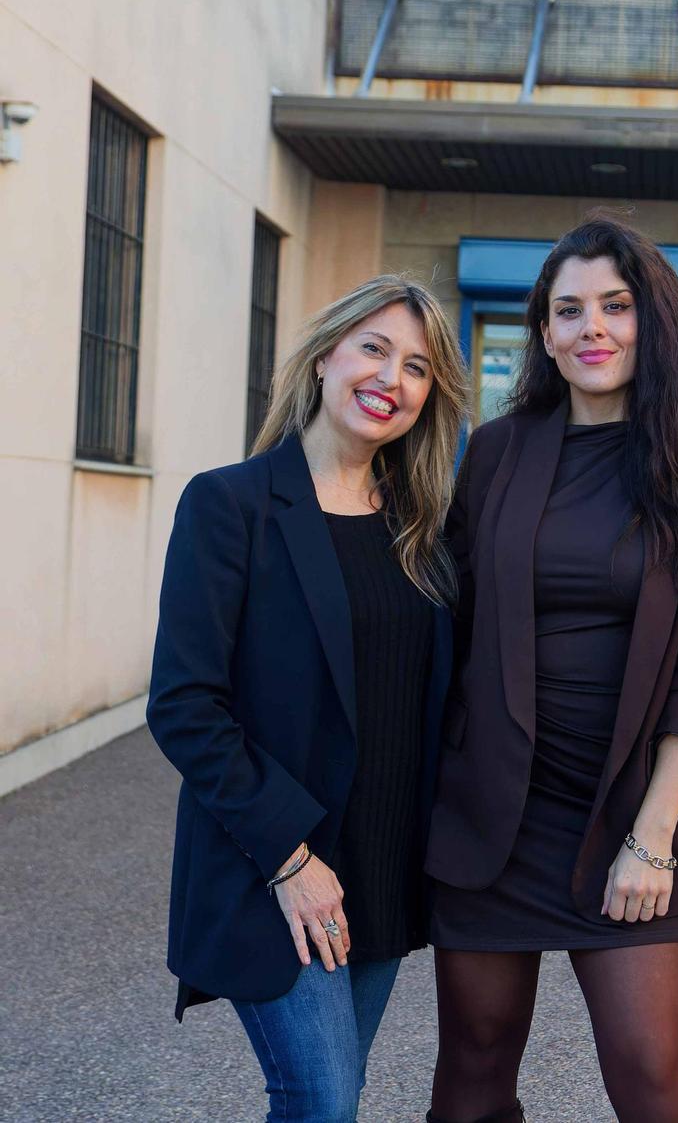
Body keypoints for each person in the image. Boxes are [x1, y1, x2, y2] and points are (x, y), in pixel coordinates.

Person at [425, 218, 678, 1123]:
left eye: (614, 305)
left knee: (652, 1078)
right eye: (567, 310)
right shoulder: (496, 452)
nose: (590, 328)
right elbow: (446, 620)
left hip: (627, 811)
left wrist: (653, 834)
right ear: (543, 333)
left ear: (654, 319)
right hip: (492, 814)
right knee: (472, 1074)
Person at [146, 274, 468, 1122]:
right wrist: (291, 859)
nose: (390, 378)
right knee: (320, 1097)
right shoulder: (232, 504)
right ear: (326, 354)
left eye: (417, 367)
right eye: (374, 348)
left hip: (383, 869)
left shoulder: (421, 529)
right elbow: (184, 703)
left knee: (330, 1098)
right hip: (275, 866)